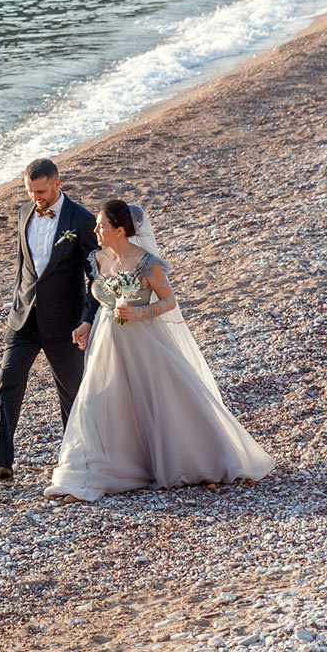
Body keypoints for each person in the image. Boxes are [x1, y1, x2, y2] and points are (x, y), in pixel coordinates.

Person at [45, 199, 274, 501]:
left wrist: (138, 313)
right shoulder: (97, 259)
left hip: (144, 342)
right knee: (97, 400)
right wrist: (86, 324)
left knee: (156, 399)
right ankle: (86, 473)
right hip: (105, 340)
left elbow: (169, 302)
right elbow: (96, 299)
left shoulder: (148, 263)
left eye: (102, 225)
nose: (95, 229)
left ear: (120, 230)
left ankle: (187, 458)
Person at [0, 158, 100, 484]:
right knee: (7, 385)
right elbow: (23, 267)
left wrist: (87, 320)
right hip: (23, 321)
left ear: (58, 184)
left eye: (41, 191)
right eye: (30, 192)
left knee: (71, 394)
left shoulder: (83, 220)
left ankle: (78, 462)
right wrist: (16, 306)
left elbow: (97, 279)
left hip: (65, 325)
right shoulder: (23, 214)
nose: (36, 198)